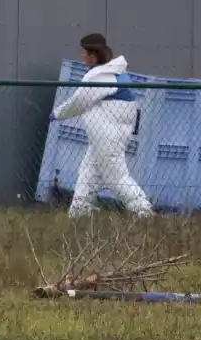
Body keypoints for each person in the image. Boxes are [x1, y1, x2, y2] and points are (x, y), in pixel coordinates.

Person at [51, 33, 154, 219]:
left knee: (116, 177)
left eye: (86, 53)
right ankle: (80, 210)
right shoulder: (117, 73)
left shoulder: (100, 76)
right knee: (89, 170)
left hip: (106, 133)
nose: (83, 57)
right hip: (109, 133)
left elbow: (79, 101)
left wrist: (57, 114)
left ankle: (143, 211)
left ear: (93, 55)